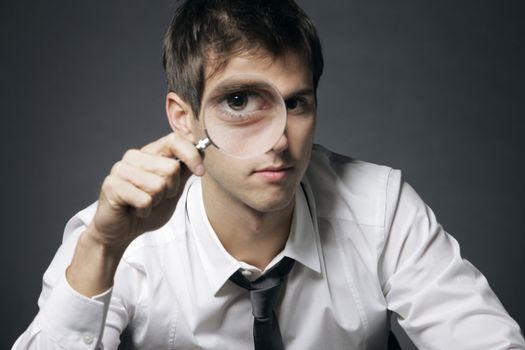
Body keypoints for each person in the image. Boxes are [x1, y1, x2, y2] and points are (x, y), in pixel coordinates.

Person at [13, 0, 525, 349]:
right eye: (239, 102)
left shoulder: (381, 209)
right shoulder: (119, 237)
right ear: (183, 117)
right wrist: (101, 249)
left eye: (296, 103)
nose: (279, 140)